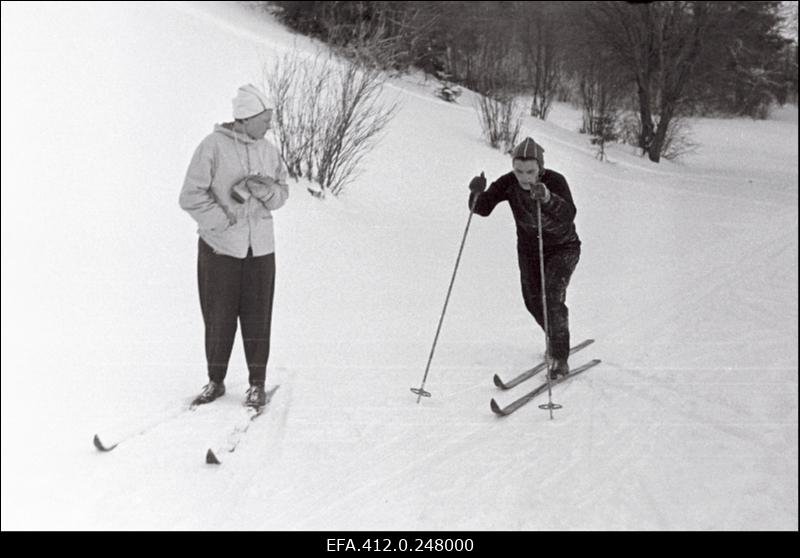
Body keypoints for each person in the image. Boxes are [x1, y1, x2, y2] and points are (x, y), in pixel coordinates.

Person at [179, 84, 289, 408]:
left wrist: (268, 191)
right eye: (265, 119)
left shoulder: (269, 152)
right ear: (246, 117)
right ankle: (215, 381)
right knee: (218, 316)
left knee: (258, 318)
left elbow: (282, 194)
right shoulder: (212, 146)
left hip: (261, 249)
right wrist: (222, 220)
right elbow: (189, 196)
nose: (270, 124)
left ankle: (257, 384)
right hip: (219, 249)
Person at [468, 137, 581, 379]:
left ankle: (560, 358)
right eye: (518, 170)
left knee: (551, 297)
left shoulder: (555, 181)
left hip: (563, 248)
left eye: (530, 171)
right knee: (532, 301)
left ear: (540, 168)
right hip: (530, 249)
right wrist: (475, 193)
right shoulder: (509, 183)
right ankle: (553, 336)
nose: (524, 177)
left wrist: (548, 199)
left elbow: (569, 214)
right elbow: (483, 208)